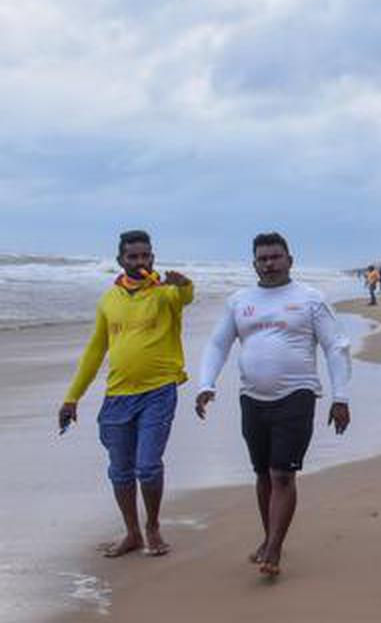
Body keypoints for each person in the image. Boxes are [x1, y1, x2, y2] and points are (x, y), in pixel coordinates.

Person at [195, 232, 351, 577]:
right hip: (252, 398)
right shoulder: (239, 301)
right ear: (254, 263)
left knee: (283, 473)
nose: (269, 263)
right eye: (263, 258)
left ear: (289, 260)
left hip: (297, 395)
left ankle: (274, 549)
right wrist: (206, 384)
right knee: (263, 474)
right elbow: (218, 345)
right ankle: (269, 538)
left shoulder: (310, 298)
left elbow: (336, 346)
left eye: (276, 257)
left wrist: (341, 398)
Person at [57, 230, 192, 559]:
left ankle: (153, 527)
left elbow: (186, 297)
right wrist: (72, 398)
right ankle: (131, 532)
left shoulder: (165, 294)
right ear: (121, 260)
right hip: (118, 396)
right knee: (120, 470)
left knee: (147, 466)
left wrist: (183, 283)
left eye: (145, 256)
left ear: (153, 258)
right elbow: (94, 352)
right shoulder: (108, 301)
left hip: (158, 392)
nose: (140, 262)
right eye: (133, 257)